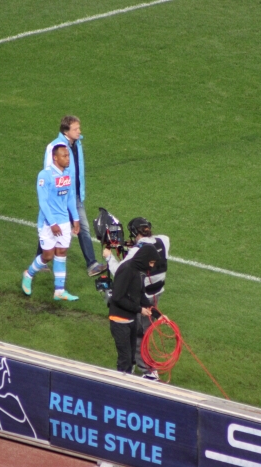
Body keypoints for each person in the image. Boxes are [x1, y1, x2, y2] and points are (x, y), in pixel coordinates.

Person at [103, 217, 170, 380]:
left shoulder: (136, 257)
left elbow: (119, 272)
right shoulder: (163, 240)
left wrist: (109, 257)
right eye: (151, 262)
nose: (152, 266)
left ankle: (145, 370)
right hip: (154, 293)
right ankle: (135, 369)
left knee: (140, 335)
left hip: (139, 298)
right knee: (137, 338)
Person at [43, 116, 107, 277]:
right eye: (75, 129)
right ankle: (42, 261)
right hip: (58, 197)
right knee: (51, 228)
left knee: (83, 227)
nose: (79, 131)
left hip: (74, 195)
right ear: (66, 131)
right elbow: (48, 173)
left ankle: (92, 264)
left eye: (79, 128)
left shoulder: (77, 144)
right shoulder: (54, 147)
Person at [22, 144, 81, 301]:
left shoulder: (67, 174)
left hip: (64, 221)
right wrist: (53, 223)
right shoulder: (45, 175)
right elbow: (43, 202)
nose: (68, 159)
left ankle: (59, 291)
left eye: (68, 156)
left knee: (61, 252)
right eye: (64, 156)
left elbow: (70, 198)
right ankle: (28, 274)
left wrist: (75, 219)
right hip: (48, 223)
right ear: (55, 158)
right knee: (47, 256)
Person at [108, 244, 160, 374]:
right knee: (125, 359)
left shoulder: (139, 272)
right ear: (145, 259)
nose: (152, 266)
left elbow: (141, 295)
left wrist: (158, 315)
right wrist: (139, 309)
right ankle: (119, 383)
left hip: (131, 321)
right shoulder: (126, 270)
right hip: (119, 321)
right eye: (151, 262)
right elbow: (117, 298)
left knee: (131, 359)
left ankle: (126, 379)